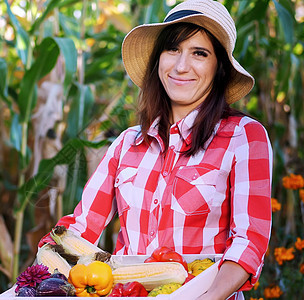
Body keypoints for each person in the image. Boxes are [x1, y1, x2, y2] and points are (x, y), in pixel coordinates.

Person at [39, 0, 272, 299]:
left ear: (219, 68)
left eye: (199, 53)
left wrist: (208, 297)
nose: (181, 65)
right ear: (158, 59)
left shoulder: (243, 137)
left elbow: (249, 241)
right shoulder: (127, 144)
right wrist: (46, 261)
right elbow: (81, 228)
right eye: (172, 49)